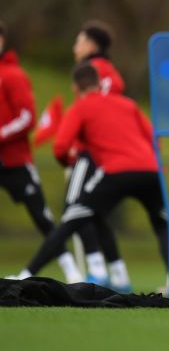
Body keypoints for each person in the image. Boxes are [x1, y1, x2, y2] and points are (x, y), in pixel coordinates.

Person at [11, 63, 169, 287]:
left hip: (114, 172)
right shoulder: (128, 104)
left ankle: (25, 274)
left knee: (71, 219)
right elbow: (152, 136)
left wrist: (67, 162)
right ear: (100, 83)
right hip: (149, 170)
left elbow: (60, 147)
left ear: (74, 87)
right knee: (161, 223)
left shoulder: (80, 107)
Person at [0, 21, 83, 283]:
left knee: (41, 216)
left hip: (14, 161)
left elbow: (27, 117)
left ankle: (71, 271)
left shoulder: (12, 75)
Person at [61, 20, 129, 288]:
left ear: (90, 44)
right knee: (95, 212)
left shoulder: (90, 72)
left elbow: (93, 113)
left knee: (75, 208)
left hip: (92, 151)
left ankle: (97, 268)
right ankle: (118, 272)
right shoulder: (113, 73)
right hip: (111, 152)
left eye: (78, 41)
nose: (75, 47)